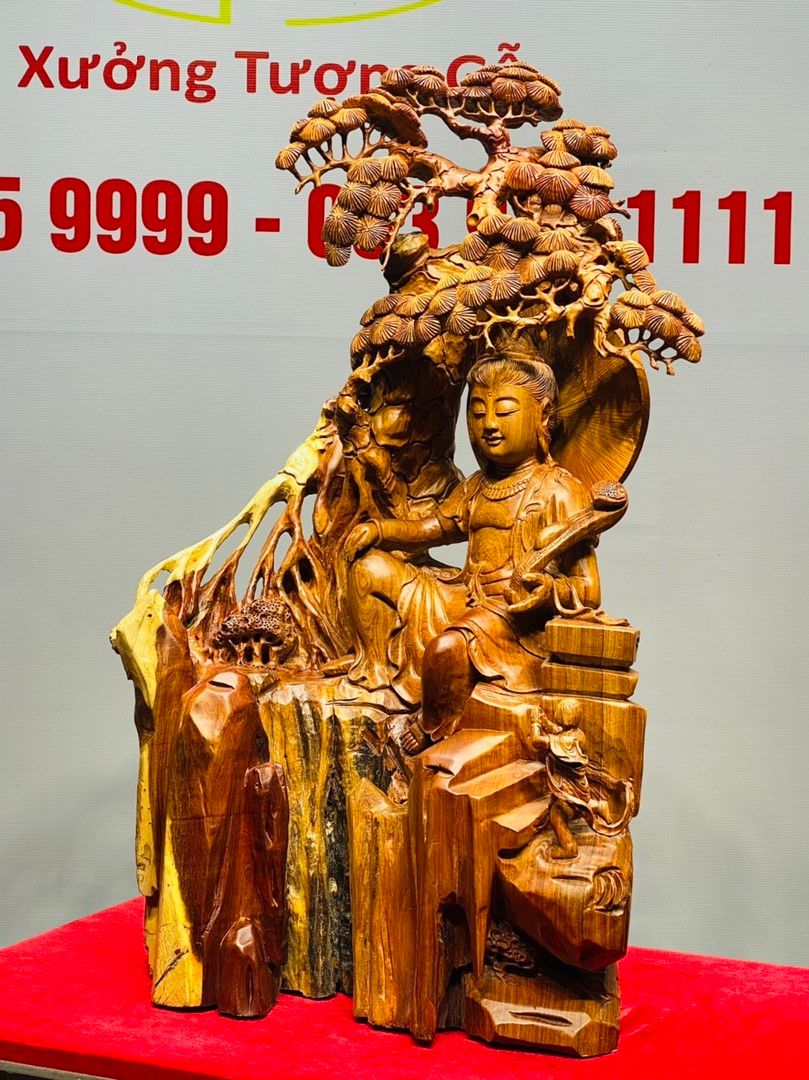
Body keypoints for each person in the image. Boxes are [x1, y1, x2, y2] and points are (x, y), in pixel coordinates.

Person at [343, 351, 601, 747]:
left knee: (447, 648)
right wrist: (380, 530)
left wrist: (548, 592)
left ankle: (432, 727)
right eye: (478, 413)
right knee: (369, 570)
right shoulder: (478, 485)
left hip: (513, 622)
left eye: (505, 411)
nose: (490, 425)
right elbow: (434, 527)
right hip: (464, 597)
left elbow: (588, 589)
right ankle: (377, 676)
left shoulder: (559, 490)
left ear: (544, 415)